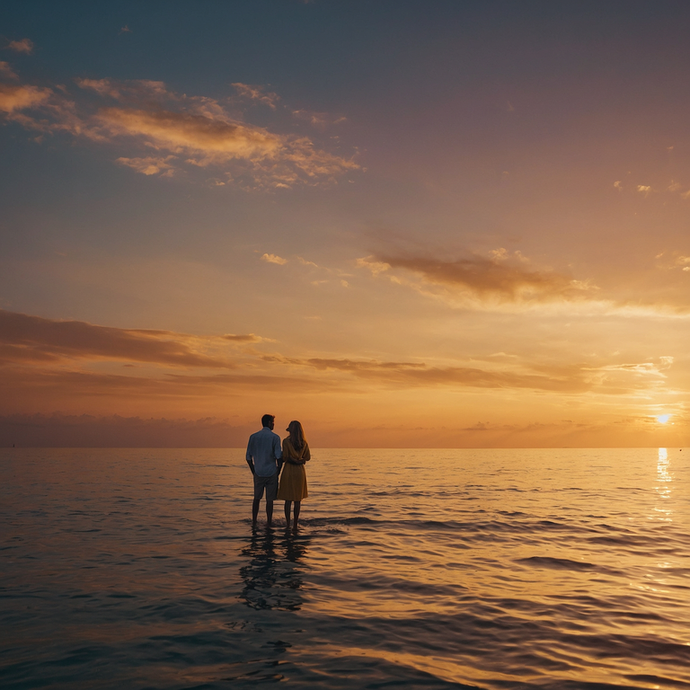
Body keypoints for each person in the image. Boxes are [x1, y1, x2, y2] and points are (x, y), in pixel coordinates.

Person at [246, 414, 283, 527]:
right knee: (269, 500)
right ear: (268, 423)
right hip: (271, 471)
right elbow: (279, 457)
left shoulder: (253, 437)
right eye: (272, 422)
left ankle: (254, 521)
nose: (273, 424)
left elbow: (248, 457)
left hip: (258, 471)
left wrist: (254, 471)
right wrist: (279, 470)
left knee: (256, 498)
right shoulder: (275, 437)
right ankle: (269, 521)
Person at [277, 420, 310, 531]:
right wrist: (299, 461)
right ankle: (295, 525)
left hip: (289, 471)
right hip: (300, 472)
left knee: (288, 500)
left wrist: (292, 460)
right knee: (297, 501)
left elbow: (285, 457)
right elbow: (307, 457)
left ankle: (287, 524)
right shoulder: (304, 443)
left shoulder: (286, 441)